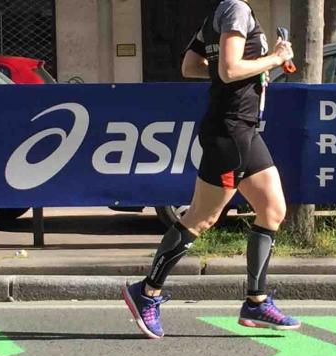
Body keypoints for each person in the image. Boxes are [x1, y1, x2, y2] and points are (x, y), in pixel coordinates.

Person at [123, 0, 298, 339]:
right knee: (201, 219)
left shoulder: (219, 14)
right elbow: (229, 70)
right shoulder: (235, 10)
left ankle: (256, 302)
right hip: (229, 130)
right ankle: (147, 292)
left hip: (244, 130)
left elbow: (191, 65)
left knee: (273, 209)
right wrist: (273, 59)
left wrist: (245, 68)